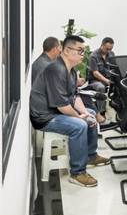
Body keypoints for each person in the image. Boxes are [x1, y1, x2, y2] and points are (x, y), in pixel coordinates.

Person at [29, 35, 110, 187]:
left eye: (84, 51)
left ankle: (91, 156)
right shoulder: (55, 69)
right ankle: (77, 173)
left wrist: (85, 113)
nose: (83, 54)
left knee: (91, 114)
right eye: (80, 51)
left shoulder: (71, 70)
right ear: (66, 51)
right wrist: (80, 117)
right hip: (44, 116)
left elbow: (74, 97)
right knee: (79, 125)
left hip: (56, 111)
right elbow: (62, 106)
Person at [87, 37, 116, 118]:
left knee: (120, 86)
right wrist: (106, 81)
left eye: (110, 49)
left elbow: (114, 68)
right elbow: (95, 73)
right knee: (101, 87)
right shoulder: (93, 56)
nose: (109, 51)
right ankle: (101, 112)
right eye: (107, 49)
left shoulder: (111, 54)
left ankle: (117, 109)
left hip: (108, 79)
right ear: (102, 45)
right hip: (95, 81)